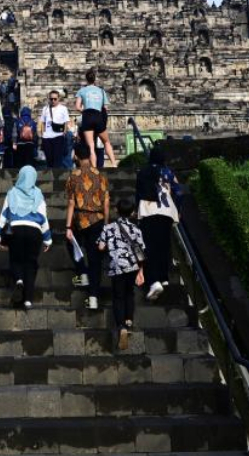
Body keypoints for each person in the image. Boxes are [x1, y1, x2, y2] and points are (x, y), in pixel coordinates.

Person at [0, 165, 52, 308]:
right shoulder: (38, 194)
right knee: (31, 264)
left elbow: (4, 216)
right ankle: (28, 299)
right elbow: (43, 218)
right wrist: (48, 239)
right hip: (34, 232)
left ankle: (19, 280)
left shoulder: (12, 193)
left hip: (16, 230)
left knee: (16, 259)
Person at [64, 141, 109, 311]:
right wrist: (106, 224)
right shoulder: (100, 176)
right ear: (89, 156)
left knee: (71, 243)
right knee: (96, 260)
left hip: (79, 219)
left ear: (75, 155)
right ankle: (93, 297)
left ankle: (82, 272)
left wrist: (68, 227)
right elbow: (106, 203)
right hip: (97, 220)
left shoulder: (73, 177)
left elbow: (71, 203)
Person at [97, 198, 146, 350]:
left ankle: (121, 326)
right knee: (129, 293)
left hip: (117, 266)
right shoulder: (136, 229)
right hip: (132, 266)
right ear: (132, 213)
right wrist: (141, 271)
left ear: (116, 210)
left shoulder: (108, 228)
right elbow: (141, 251)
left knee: (118, 296)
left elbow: (100, 246)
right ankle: (129, 319)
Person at [135, 149, 182, 301]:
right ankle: (164, 277)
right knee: (164, 245)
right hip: (167, 211)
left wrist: (137, 211)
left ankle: (154, 280)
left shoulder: (143, 172)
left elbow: (139, 192)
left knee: (150, 246)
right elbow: (179, 191)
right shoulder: (168, 172)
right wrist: (178, 210)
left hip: (149, 211)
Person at [75, 68, 118, 169]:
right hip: (98, 116)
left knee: (91, 146)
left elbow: (77, 107)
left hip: (87, 116)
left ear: (86, 79)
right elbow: (105, 107)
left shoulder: (82, 90)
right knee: (106, 142)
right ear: (95, 79)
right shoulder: (101, 91)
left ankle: (94, 168)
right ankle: (114, 164)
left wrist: (84, 111)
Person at [39, 90, 70, 168]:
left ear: (58, 98)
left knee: (57, 160)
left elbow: (66, 122)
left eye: (55, 99)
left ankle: (57, 178)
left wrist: (64, 133)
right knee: (49, 160)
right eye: (51, 99)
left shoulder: (63, 108)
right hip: (47, 137)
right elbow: (42, 122)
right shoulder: (45, 108)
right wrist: (43, 133)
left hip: (58, 136)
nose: (53, 101)